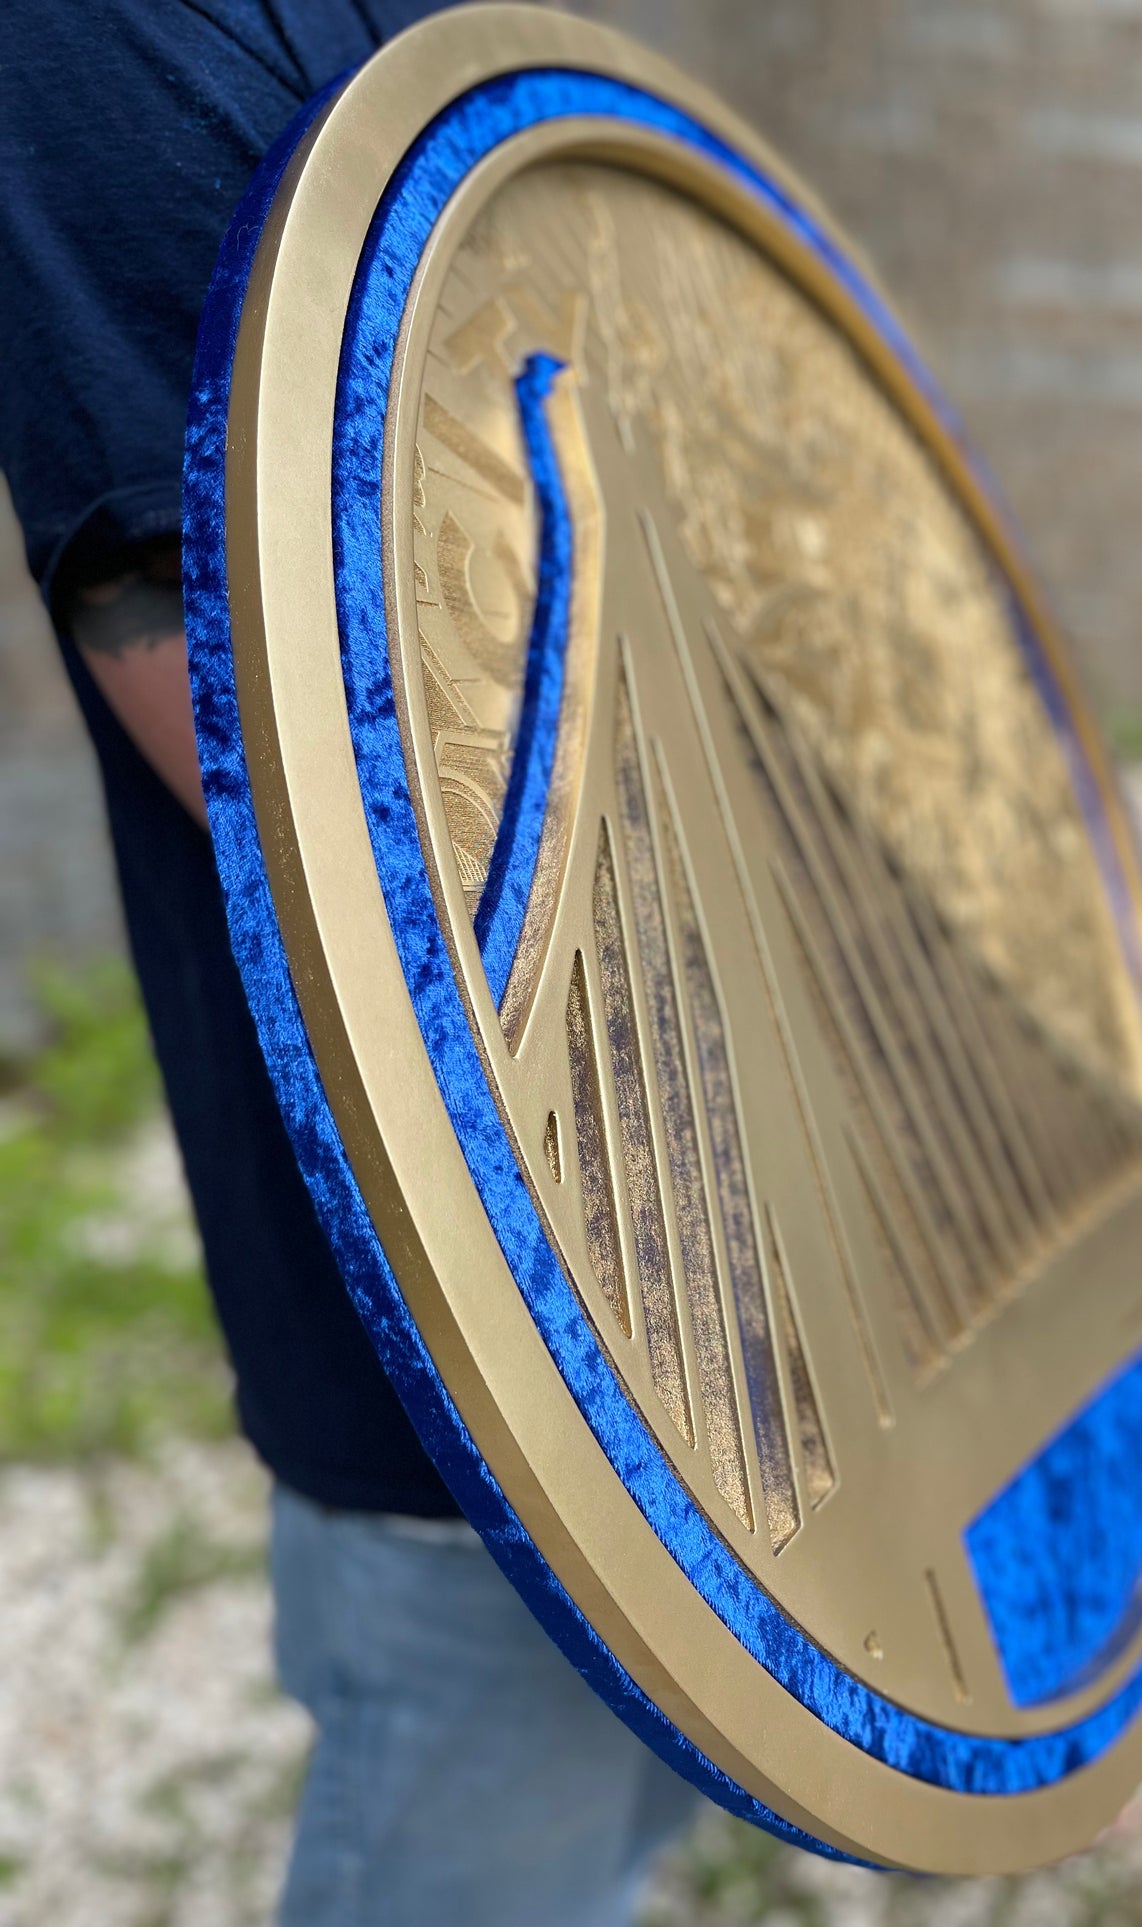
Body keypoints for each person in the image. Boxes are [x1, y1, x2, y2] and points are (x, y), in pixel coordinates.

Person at [0, 6, 699, 1921]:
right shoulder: (108, 33)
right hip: (464, 1342)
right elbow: (319, 789)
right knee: (489, 1832)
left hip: (720, 1263)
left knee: (626, 1823)